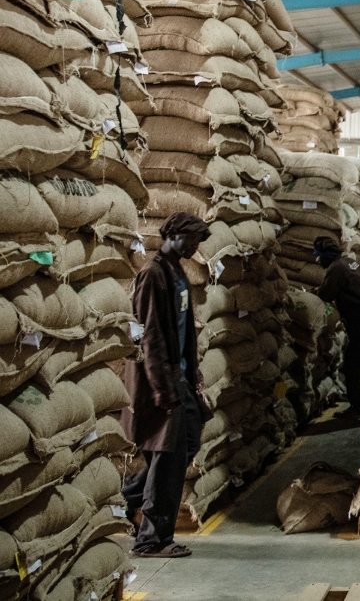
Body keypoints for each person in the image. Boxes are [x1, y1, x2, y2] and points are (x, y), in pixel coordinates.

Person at [121, 212, 212, 558]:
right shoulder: (153, 275)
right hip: (159, 384)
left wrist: (192, 372)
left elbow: (183, 331)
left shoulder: (177, 274)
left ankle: (127, 499)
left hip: (180, 379)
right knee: (169, 461)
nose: (194, 247)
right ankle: (151, 540)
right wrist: (162, 390)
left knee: (188, 443)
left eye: (198, 242)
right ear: (171, 234)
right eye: (190, 240)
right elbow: (151, 338)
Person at [313, 236, 360, 418]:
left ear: (327, 255)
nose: (317, 261)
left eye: (319, 256)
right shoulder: (349, 262)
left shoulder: (336, 269)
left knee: (353, 363)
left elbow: (326, 295)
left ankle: (359, 407)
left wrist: (316, 292)